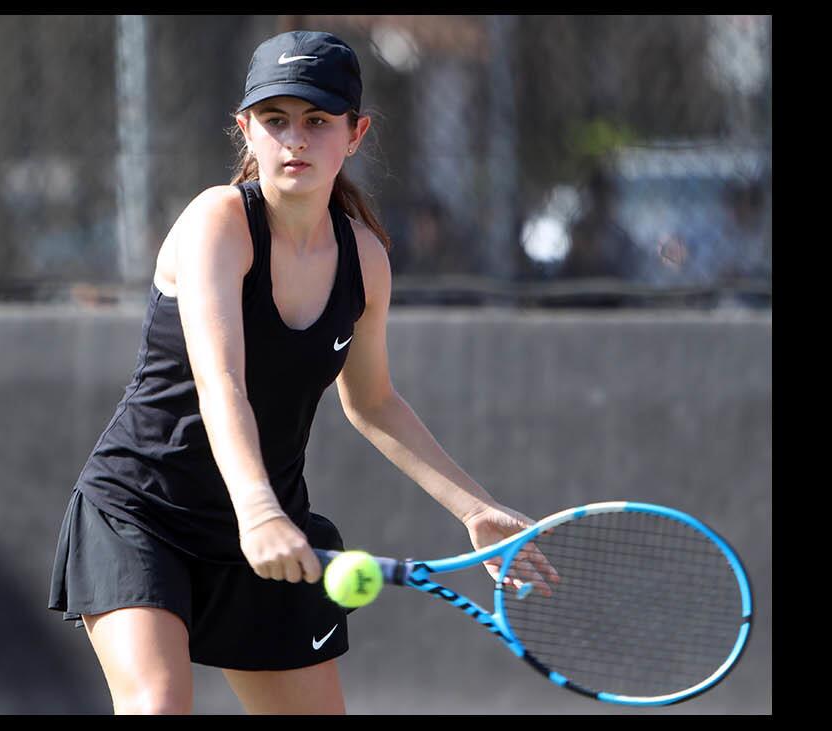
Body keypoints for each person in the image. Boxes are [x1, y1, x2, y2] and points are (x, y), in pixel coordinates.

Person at [48, 30, 547, 715]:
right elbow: (222, 380)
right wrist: (257, 509)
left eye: (318, 121)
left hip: (269, 534)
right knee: (158, 704)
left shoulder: (366, 259)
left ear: (356, 133)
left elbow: (372, 401)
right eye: (275, 120)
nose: (296, 139)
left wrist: (475, 508)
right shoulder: (217, 223)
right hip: (142, 513)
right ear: (245, 129)